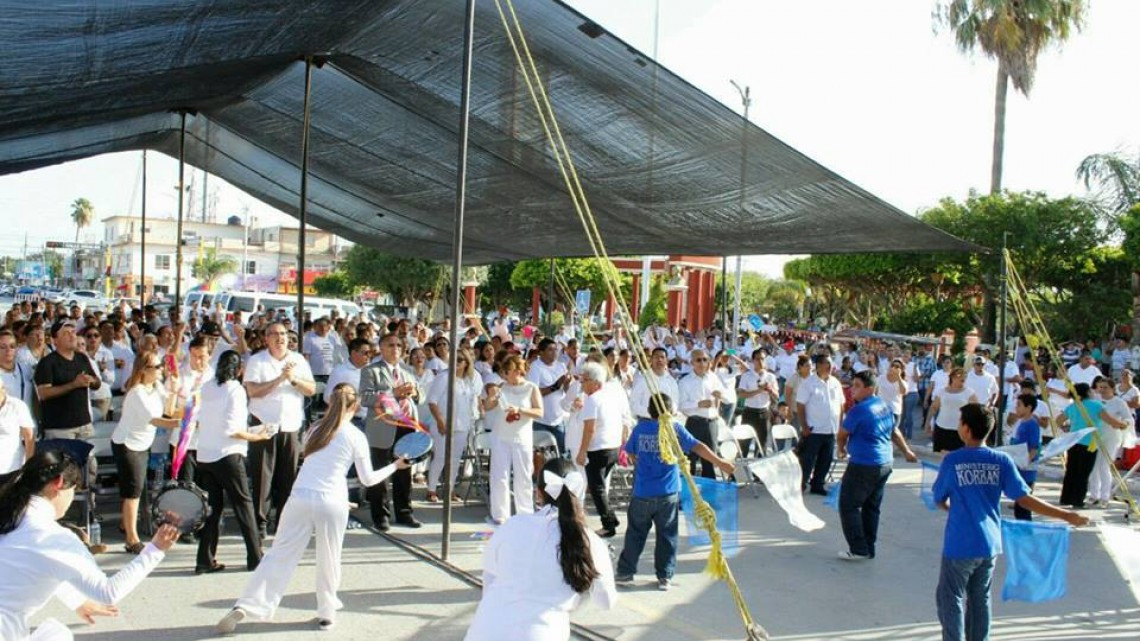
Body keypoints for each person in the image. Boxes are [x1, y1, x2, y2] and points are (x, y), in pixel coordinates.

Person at [217, 384, 410, 634]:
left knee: (279, 554)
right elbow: (368, 479)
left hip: (301, 496)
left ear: (331, 403)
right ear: (354, 407)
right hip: (331, 500)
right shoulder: (355, 436)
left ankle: (246, 605)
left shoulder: (315, 429)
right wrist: (395, 466)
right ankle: (326, 614)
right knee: (329, 558)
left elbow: (316, 466)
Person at [932, 403, 1088, 641]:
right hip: (989, 544)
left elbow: (938, 498)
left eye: (960, 422)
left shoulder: (953, 460)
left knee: (950, 597)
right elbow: (1024, 498)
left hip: (960, 543)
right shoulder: (1001, 460)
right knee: (980, 598)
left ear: (966, 429)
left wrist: (950, 508)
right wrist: (1066, 515)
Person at [0, 450, 179, 641]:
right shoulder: (53, 537)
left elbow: (40, 566)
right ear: (58, 483)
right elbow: (108, 592)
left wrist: (76, 601)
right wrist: (155, 549)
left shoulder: (10, 516)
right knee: (58, 635)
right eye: (74, 490)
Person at [464, 458, 616, 641]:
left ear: (538, 494)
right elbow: (606, 601)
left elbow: (489, 582)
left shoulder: (512, 525)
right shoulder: (590, 541)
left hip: (485, 630)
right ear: (579, 493)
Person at [615, 394, 734, 589]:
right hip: (667, 493)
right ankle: (664, 576)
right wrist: (720, 463)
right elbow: (698, 446)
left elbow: (631, 452)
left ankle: (625, 573)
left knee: (635, 534)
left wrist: (641, 463)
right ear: (670, 411)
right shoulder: (675, 429)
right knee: (667, 536)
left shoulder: (640, 429)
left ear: (649, 411)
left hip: (642, 492)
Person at [196, 351, 266, 575]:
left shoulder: (207, 387)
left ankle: (205, 560)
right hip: (227, 454)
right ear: (239, 370)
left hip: (205, 454)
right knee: (244, 506)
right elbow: (233, 429)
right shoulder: (235, 389)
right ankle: (255, 557)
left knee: (212, 510)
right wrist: (257, 436)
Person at [243, 322, 316, 538]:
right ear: (266, 338)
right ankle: (260, 522)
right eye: (274, 334)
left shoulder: (298, 360)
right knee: (262, 476)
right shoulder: (257, 360)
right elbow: (253, 391)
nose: (280, 338)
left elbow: (311, 389)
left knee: (288, 477)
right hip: (263, 424)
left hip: (291, 425)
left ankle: (284, 522)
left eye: (283, 334)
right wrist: (279, 379)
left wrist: (293, 379)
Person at [836, 370, 917, 561]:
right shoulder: (883, 405)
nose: (852, 390)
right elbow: (894, 431)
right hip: (884, 463)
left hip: (864, 464)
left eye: (857, 386)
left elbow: (842, 434)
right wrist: (906, 451)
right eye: (853, 385)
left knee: (848, 505)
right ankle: (868, 547)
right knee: (871, 507)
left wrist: (841, 449)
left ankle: (859, 548)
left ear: (870, 389)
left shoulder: (859, 410)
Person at [110, 352, 180, 554]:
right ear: (144, 370)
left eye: (160, 365)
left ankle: (126, 524)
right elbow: (157, 421)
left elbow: (168, 411)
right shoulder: (137, 393)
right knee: (133, 491)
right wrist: (182, 423)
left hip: (142, 443)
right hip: (128, 444)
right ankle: (131, 539)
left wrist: (174, 391)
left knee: (136, 488)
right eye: (156, 366)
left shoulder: (156, 387)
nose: (160, 369)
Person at [360, 332, 423, 530]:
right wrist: (393, 393)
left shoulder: (407, 372)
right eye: (390, 345)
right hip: (382, 428)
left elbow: (420, 397)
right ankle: (380, 516)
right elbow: (365, 398)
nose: (395, 348)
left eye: (398, 345)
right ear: (381, 348)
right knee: (380, 472)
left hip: (406, 427)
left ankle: (405, 512)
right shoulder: (371, 371)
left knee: (404, 472)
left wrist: (415, 393)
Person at [482, 354, 543, 525]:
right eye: (504, 372)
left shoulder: (531, 388)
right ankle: (500, 515)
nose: (505, 375)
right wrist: (491, 397)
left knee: (523, 476)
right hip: (501, 436)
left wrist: (520, 410)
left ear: (517, 371)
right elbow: (488, 407)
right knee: (499, 476)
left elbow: (539, 412)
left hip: (521, 437)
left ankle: (525, 514)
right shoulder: (502, 387)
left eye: (507, 372)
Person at [575, 361, 624, 538]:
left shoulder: (593, 400)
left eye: (585, 380)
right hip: (612, 446)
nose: (582, 384)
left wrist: (582, 452)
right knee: (599, 486)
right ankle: (610, 518)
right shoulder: (610, 397)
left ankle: (608, 524)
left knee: (597, 488)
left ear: (595, 382)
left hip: (598, 448)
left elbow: (590, 428)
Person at [426, 348, 481, 503]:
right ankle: (431, 489)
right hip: (443, 424)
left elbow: (473, 402)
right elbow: (432, 401)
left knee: (455, 459)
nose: (456, 362)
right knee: (440, 457)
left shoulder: (468, 380)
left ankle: (449, 490)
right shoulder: (444, 377)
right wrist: (440, 421)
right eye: (454, 359)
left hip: (462, 425)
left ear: (466, 363)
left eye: (460, 360)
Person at [796, 356, 845, 494]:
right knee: (807, 460)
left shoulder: (835, 382)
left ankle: (818, 484)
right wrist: (804, 426)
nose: (829, 367)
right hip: (814, 429)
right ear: (818, 366)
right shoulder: (808, 383)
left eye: (830, 364)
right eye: (826, 364)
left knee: (825, 460)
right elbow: (800, 405)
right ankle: (801, 485)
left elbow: (841, 404)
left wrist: (841, 425)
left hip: (830, 428)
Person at [677, 349, 726, 479]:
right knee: (690, 459)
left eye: (705, 360)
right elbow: (680, 406)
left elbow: (727, 396)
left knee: (710, 460)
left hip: (712, 423)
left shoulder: (713, 378)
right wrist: (698, 404)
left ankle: (709, 490)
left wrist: (721, 395)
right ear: (692, 362)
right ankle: (689, 489)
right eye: (699, 360)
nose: (702, 363)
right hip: (695, 423)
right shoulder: (685, 382)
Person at [1058, 382, 1103, 509]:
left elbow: (1058, 420)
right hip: (1089, 443)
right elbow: (1109, 419)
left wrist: (1065, 428)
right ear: (1088, 392)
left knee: (1071, 471)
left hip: (1074, 442)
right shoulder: (1097, 405)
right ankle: (1078, 500)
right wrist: (1122, 424)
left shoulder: (1073, 406)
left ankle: (1066, 498)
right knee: (1083, 473)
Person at [1089, 376, 1131, 507]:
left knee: (1104, 466)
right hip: (1095, 436)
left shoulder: (1119, 402)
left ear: (1113, 388)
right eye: (1100, 387)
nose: (1102, 390)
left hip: (1111, 436)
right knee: (1093, 465)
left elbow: (1129, 418)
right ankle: (1094, 495)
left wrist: (1121, 424)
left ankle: (1105, 497)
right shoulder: (1095, 400)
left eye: (1105, 387)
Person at [527, 338, 570, 454]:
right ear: (541, 352)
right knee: (541, 456)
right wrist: (556, 386)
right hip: (541, 421)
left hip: (558, 419)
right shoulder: (535, 367)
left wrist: (567, 383)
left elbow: (566, 390)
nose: (554, 352)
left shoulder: (561, 366)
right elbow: (533, 393)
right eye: (550, 350)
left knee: (561, 454)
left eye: (555, 349)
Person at [738, 349, 779, 456]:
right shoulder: (746, 376)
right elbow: (741, 394)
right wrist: (759, 390)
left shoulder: (770, 377)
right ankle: (740, 465)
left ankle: (759, 465)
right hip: (749, 412)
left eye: (762, 359)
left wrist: (770, 390)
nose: (760, 361)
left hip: (764, 412)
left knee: (762, 444)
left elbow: (777, 396)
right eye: (757, 359)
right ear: (753, 360)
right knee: (744, 443)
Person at [926, 368, 978, 453]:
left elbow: (975, 412)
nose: (963, 377)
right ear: (952, 377)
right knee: (939, 455)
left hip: (960, 431)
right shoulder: (942, 391)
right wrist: (928, 423)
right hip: (941, 428)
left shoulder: (969, 393)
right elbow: (934, 408)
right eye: (960, 375)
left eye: (964, 376)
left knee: (958, 456)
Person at [1008, 393, 1042, 521]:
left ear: (1029, 407)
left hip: (1026, 469)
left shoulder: (1032, 424)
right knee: (1019, 504)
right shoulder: (1021, 422)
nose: (1016, 408)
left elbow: (1034, 447)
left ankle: (1026, 529)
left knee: (1024, 505)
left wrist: (1026, 462)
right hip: (1019, 466)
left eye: (1019, 405)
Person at [0, 381, 35, 488]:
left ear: (3, 390)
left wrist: (28, 466)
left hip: (11, 468)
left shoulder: (17, 406)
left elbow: (29, 437)